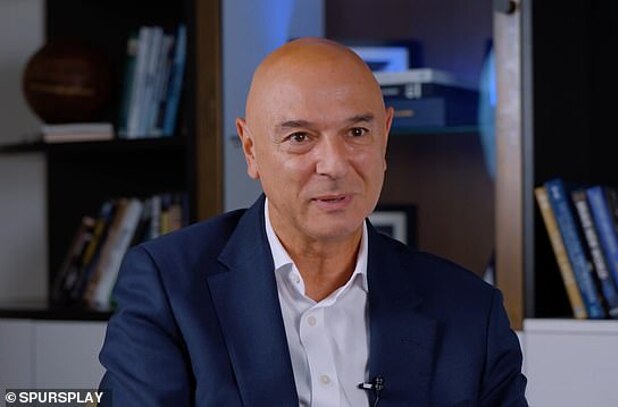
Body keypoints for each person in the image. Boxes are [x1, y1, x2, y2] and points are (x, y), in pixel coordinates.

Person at [98, 38, 527, 406]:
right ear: (251, 149)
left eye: (356, 133)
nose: (334, 165)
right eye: (300, 138)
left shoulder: (471, 312)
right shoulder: (168, 289)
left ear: (385, 136)